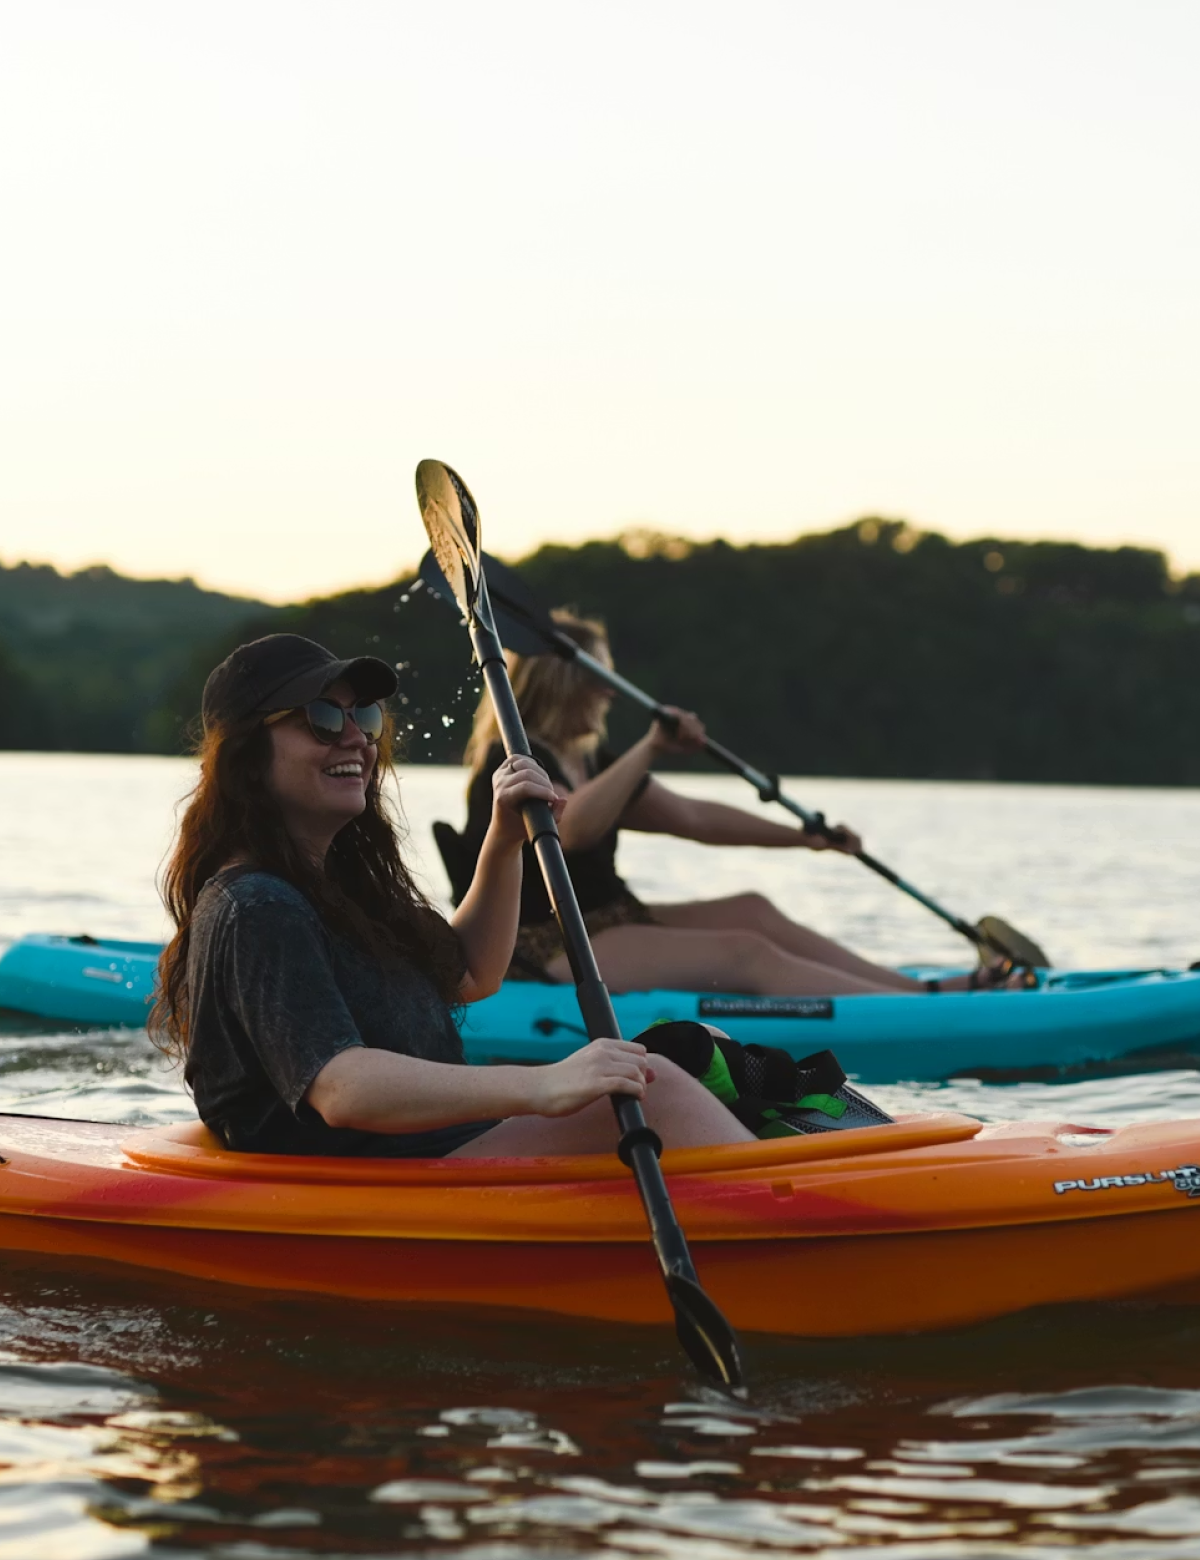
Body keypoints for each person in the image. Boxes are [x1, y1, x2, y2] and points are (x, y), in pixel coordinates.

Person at [150, 633, 753, 1159]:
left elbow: (472, 973)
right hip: (367, 1179)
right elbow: (342, 1088)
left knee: (698, 1050)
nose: (356, 739)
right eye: (323, 720)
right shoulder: (258, 906)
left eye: (365, 718)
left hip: (431, 1151)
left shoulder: (340, 889)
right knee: (661, 1091)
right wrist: (544, 1084)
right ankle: (793, 1215)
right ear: (247, 759)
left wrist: (503, 841)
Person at [461, 611, 1014, 996]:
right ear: (562, 683)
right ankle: (922, 1008)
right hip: (546, 945)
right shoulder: (511, 763)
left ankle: (926, 993)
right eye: (598, 677)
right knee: (745, 951)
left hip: (610, 918)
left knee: (753, 909)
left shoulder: (593, 760)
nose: (610, 691)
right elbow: (572, 828)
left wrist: (805, 838)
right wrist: (651, 747)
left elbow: (695, 818)